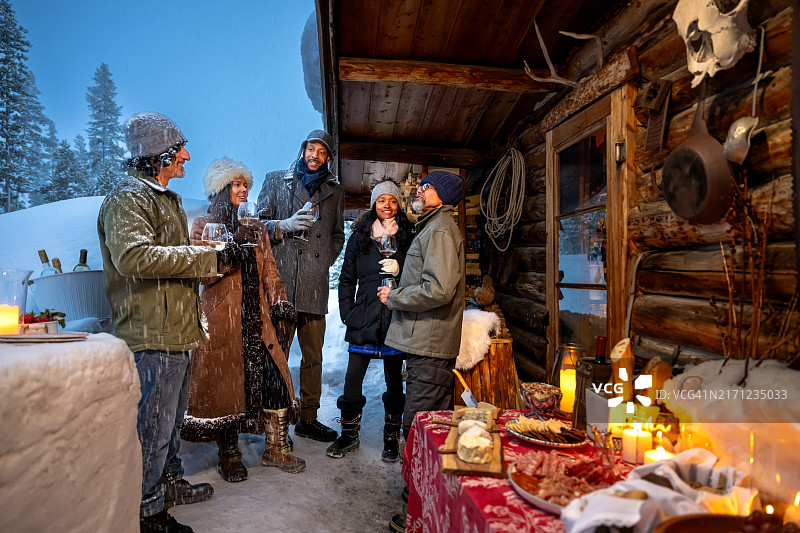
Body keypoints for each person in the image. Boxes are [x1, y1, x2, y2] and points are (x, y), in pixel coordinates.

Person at [98, 112, 221, 533]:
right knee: (152, 426)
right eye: (179, 149)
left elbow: (171, 259)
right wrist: (205, 256)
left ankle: (167, 483)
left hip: (176, 330)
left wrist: (206, 258)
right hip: (151, 331)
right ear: (157, 156)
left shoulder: (165, 198)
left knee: (169, 421)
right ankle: (147, 512)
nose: (186, 155)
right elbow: (133, 257)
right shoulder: (128, 199)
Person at [180, 157, 305, 484]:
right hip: (223, 321)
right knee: (226, 388)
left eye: (244, 183)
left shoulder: (256, 227)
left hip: (258, 319)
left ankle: (276, 448)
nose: (243, 188)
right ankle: (229, 453)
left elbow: (271, 273)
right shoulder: (203, 226)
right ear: (220, 189)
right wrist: (225, 256)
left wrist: (281, 304)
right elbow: (202, 275)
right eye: (236, 184)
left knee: (276, 379)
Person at [377, 171, 465, 533]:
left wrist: (396, 296)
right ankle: (424, 498)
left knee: (420, 430)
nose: (419, 190)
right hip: (425, 342)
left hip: (430, 345)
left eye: (426, 187)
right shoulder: (433, 226)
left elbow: (440, 288)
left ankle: (421, 510)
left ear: (440, 196)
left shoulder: (440, 229)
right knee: (428, 428)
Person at [256, 130, 345, 443]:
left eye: (322, 152)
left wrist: (323, 263)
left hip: (314, 284)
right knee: (276, 353)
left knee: (313, 357)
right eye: (311, 148)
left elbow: (337, 235)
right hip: (281, 282)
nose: (315, 155)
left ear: (328, 159)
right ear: (303, 149)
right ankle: (275, 422)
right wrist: (284, 225)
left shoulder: (335, 191)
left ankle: (308, 418)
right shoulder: (276, 180)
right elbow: (257, 226)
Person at [326, 180, 415, 462]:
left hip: (394, 316)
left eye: (391, 200)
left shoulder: (408, 234)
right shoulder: (360, 235)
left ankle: (391, 439)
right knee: (353, 377)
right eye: (381, 200)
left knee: (393, 379)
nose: (386, 205)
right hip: (363, 315)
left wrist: (400, 273)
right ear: (373, 205)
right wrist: (347, 312)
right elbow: (346, 279)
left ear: (398, 204)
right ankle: (349, 436)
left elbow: (417, 273)